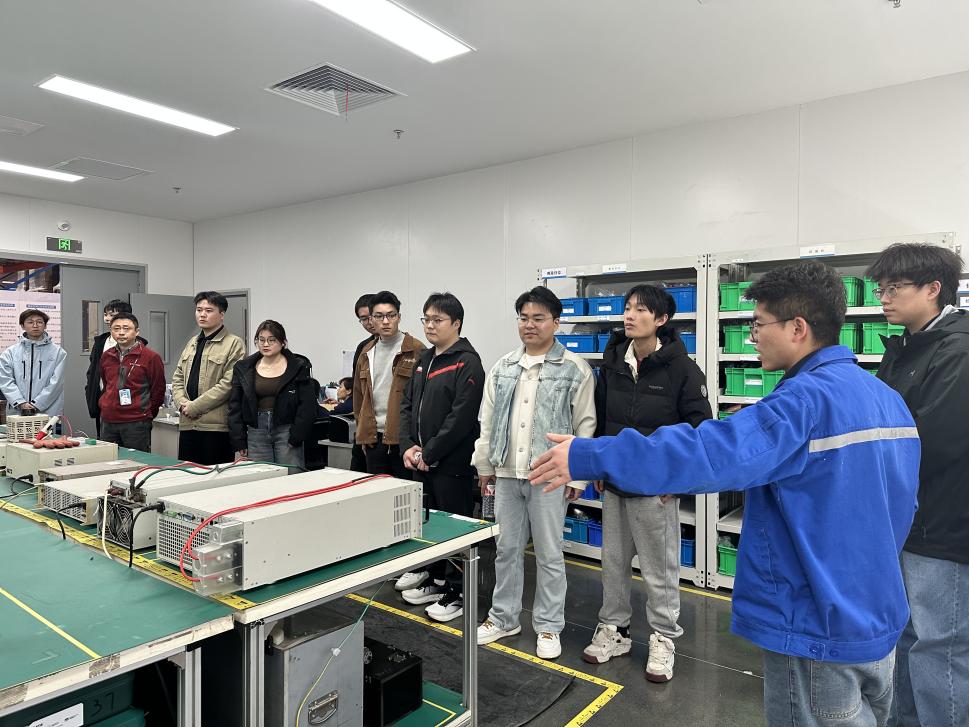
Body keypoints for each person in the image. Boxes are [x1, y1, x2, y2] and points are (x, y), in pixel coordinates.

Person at [529, 261, 921, 727]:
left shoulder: (801, 403)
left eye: (758, 325)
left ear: (797, 328)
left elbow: (708, 452)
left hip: (816, 624)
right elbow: (905, 504)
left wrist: (591, 455)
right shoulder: (887, 398)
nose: (752, 337)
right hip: (877, 617)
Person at [583, 285, 712, 681]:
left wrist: (681, 480)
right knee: (613, 562)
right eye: (627, 308)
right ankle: (614, 629)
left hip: (656, 488)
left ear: (661, 320)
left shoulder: (682, 370)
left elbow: (701, 430)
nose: (630, 315)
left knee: (660, 569)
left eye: (641, 310)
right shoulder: (612, 365)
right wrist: (600, 467)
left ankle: (663, 636)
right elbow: (602, 422)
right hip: (616, 483)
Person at [865, 243, 969, 727]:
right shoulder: (907, 347)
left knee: (940, 650)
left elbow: (934, 441)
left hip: (943, 527)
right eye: (881, 289)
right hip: (909, 522)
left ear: (933, 289)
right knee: (907, 638)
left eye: (894, 288)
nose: (884, 298)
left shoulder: (958, 350)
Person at [472, 286, 596, 660]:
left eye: (538, 318)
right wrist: (485, 465)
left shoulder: (575, 369)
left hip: (549, 475)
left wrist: (577, 475)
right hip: (507, 472)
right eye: (524, 318)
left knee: (549, 553)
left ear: (556, 322)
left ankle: (548, 625)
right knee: (506, 549)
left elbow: (585, 425)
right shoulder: (503, 367)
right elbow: (487, 421)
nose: (530, 324)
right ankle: (504, 617)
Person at [396, 293, 485, 622]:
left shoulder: (467, 362)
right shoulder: (424, 359)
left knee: (454, 526)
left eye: (437, 320)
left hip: (451, 463)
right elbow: (407, 406)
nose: (430, 326)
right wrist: (408, 445)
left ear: (456, 323)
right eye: (426, 319)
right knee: (428, 524)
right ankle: (435, 579)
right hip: (421, 460)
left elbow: (461, 417)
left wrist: (430, 452)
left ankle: (458, 590)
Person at [353, 291, 425, 479]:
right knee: (377, 492)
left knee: (406, 492)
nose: (385, 321)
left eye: (391, 315)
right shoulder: (366, 352)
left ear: (399, 317)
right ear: (371, 319)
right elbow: (359, 397)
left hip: (404, 439)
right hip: (373, 439)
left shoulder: (416, 349)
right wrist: (363, 432)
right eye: (379, 316)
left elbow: (424, 398)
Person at [228, 320, 317, 469]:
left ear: (283, 342)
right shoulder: (244, 368)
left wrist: (297, 435)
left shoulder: (298, 366)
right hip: (256, 430)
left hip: (287, 430)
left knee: (290, 475)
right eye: (261, 340)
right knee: (261, 476)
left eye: (271, 340)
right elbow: (235, 405)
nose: (265, 344)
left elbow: (307, 405)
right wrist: (239, 439)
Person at [171, 292, 246, 464]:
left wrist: (195, 407)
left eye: (209, 310)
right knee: (187, 474)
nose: (202, 314)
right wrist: (182, 403)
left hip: (215, 428)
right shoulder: (192, 342)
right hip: (188, 424)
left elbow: (228, 384)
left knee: (213, 476)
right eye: (199, 310)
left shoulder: (234, 343)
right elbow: (178, 377)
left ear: (221, 314)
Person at [97, 313, 165, 452]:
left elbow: (158, 390)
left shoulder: (151, 357)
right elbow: (106, 384)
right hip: (108, 420)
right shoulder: (107, 355)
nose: (121, 333)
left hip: (136, 421)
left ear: (137, 331)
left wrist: (145, 413)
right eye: (116, 329)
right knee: (108, 460)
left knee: (136, 461)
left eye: (126, 328)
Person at [85, 299, 146, 435]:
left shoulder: (138, 345)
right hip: (102, 399)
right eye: (105, 314)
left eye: (112, 315)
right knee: (104, 441)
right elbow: (92, 371)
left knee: (128, 441)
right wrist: (90, 391)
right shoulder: (101, 342)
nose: (107, 319)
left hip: (128, 404)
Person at [0, 309, 67, 417]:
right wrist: (20, 402)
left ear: (45, 325)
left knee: (46, 429)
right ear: (22, 326)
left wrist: (37, 404)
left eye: (39, 322)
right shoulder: (10, 353)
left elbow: (56, 383)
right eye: (30, 322)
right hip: (17, 411)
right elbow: (5, 380)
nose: (35, 325)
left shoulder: (58, 352)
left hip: (47, 411)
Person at [350, 294, 376, 472]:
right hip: (364, 424)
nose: (369, 322)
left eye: (371, 316)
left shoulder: (406, 346)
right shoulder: (363, 347)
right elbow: (357, 388)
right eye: (363, 319)